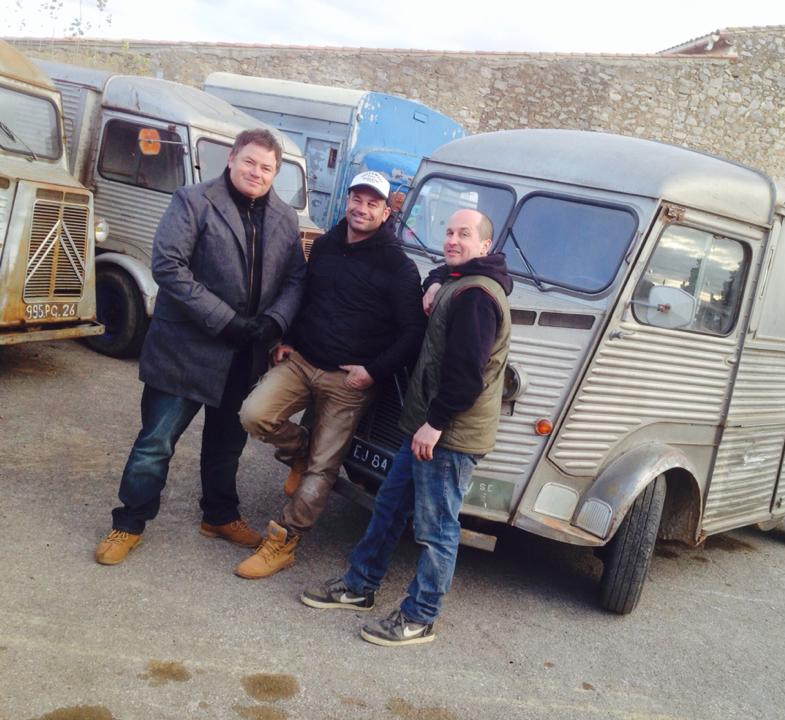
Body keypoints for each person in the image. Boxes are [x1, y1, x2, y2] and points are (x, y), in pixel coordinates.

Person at [300, 208, 512, 647]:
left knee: (436, 529)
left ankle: (420, 617)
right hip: (425, 426)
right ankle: (360, 586)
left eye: (464, 234)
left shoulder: (476, 297)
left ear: (485, 245)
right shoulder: (461, 279)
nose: (452, 240)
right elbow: (446, 270)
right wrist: (435, 279)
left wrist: (435, 424)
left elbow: (465, 377)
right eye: (449, 232)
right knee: (390, 506)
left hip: (447, 436)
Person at [95, 128, 306, 565]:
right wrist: (224, 320)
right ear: (231, 158)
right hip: (186, 349)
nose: (257, 172)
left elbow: (295, 278)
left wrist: (275, 321)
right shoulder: (193, 201)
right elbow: (168, 265)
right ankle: (129, 522)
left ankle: (219, 515)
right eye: (249, 162)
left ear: (275, 173)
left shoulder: (285, 219)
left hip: (244, 354)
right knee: (156, 442)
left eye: (267, 167)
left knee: (227, 444)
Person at [234, 171, 426, 579]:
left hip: (348, 381)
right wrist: (287, 338)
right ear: (347, 201)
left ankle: (284, 540)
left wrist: (373, 371)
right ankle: (301, 450)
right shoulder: (324, 245)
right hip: (303, 360)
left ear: (386, 212)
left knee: (322, 469)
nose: (362, 208)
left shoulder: (399, 267)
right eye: (357, 199)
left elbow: (413, 333)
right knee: (254, 414)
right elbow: (305, 297)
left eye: (372, 203)